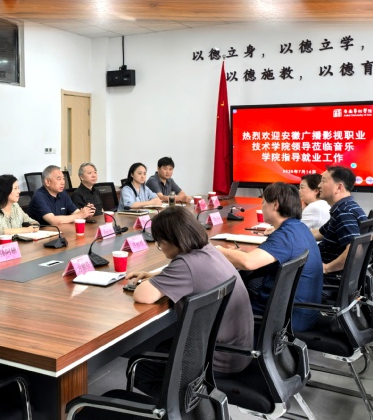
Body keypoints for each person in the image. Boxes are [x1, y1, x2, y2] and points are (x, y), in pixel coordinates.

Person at [126, 208, 253, 399]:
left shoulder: (185, 265)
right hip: (236, 351)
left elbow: (143, 295)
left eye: (160, 243)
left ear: (171, 240)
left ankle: (182, 404)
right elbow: (192, 272)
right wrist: (157, 275)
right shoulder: (210, 250)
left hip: (216, 360)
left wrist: (152, 281)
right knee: (162, 347)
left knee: (141, 369)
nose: (161, 247)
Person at [216, 183, 323, 332]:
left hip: (283, 318)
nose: (262, 206)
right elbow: (260, 257)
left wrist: (218, 251)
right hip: (299, 312)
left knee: (215, 309)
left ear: (275, 205)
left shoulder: (285, 235)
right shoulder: (298, 227)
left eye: (263, 202)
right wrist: (241, 253)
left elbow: (249, 263)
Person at [312, 166, 366, 275]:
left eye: (323, 181)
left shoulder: (344, 213)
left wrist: (326, 268)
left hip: (327, 277)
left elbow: (356, 250)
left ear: (338, 187)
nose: (319, 185)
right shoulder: (347, 207)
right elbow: (318, 233)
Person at [27, 165, 95, 226]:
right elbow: (53, 221)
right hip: (43, 234)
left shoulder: (63, 194)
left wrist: (87, 213)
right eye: (59, 179)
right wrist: (80, 215)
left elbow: (76, 212)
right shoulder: (39, 196)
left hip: (62, 231)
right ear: (47, 182)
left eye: (63, 178)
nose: (63, 182)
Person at [0, 175, 38, 240]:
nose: (19, 191)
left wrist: (35, 225)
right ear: (5, 191)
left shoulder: (15, 206)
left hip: (11, 244)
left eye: (18, 188)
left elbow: (31, 221)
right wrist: (25, 230)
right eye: (15, 188)